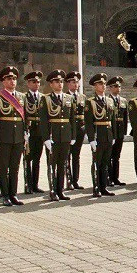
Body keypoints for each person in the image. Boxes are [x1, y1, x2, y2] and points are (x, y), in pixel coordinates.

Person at [0, 66, 28, 206]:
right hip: (3, 138)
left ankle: (14, 194)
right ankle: (5, 195)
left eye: (14, 79)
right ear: (3, 81)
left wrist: (25, 132)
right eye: (9, 79)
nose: (12, 81)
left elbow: (25, 117)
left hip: (17, 138)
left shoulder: (22, 97)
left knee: (15, 167)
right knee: (3, 167)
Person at [38, 70, 75, 202]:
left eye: (61, 81)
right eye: (56, 82)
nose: (60, 84)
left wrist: (73, 136)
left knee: (63, 164)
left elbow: (72, 119)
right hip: (53, 136)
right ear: (51, 84)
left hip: (65, 136)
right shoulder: (45, 99)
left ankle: (61, 190)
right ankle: (53, 190)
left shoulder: (69, 98)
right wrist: (46, 138)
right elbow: (43, 121)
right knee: (52, 164)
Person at [85, 73, 117, 197]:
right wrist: (91, 138)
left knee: (105, 163)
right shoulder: (90, 102)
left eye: (104, 84)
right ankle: (96, 187)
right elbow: (89, 122)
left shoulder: (109, 100)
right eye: (100, 84)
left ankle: (104, 187)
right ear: (94, 86)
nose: (103, 86)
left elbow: (112, 120)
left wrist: (113, 135)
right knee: (97, 163)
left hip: (108, 135)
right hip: (98, 135)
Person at [23, 71, 45, 194]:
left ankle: (35, 184)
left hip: (40, 131)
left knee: (37, 159)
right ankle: (28, 185)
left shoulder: (43, 97)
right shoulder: (24, 97)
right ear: (28, 83)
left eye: (38, 82)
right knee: (28, 158)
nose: (36, 84)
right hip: (29, 131)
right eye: (33, 82)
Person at [65, 72, 85, 190]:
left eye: (77, 82)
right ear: (68, 84)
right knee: (68, 155)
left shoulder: (82, 97)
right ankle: (68, 180)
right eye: (73, 82)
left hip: (80, 129)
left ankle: (75, 180)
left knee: (76, 155)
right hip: (68, 128)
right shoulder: (65, 96)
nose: (76, 84)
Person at [107, 76, 127, 187]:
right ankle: (108, 178)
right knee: (109, 156)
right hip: (110, 130)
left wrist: (124, 132)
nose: (118, 88)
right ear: (110, 88)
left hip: (119, 131)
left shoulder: (123, 100)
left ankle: (116, 178)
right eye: (115, 86)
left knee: (116, 156)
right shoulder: (107, 100)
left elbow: (125, 117)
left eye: (119, 86)